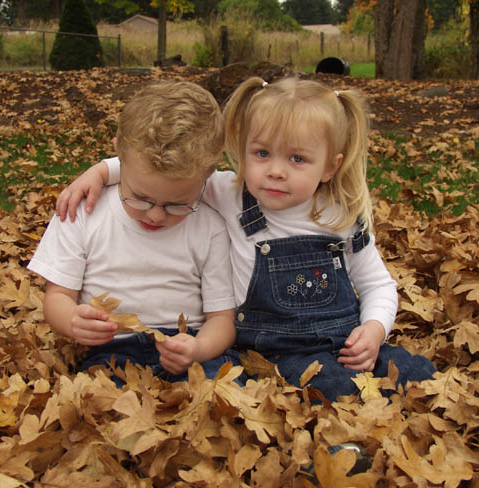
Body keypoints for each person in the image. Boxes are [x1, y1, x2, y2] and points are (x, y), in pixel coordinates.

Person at [55, 76, 436, 401]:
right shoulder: (225, 192)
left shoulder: (340, 216)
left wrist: (374, 327)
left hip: (341, 343)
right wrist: (102, 172)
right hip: (264, 350)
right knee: (328, 390)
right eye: (262, 153)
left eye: (297, 159)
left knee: (417, 374)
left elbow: (377, 284)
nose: (275, 171)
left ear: (330, 166)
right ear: (243, 151)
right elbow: (163, 170)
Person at [28, 80, 240, 388]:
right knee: (97, 402)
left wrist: (199, 349)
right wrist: (73, 321)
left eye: (178, 205)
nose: (155, 214)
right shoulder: (85, 211)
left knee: (223, 395)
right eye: (139, 198)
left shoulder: (210, 227)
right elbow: (58, 296)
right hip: (113, 349)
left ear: (207, 177)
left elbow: (222, 319)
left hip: (189, 345)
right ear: (118, 155)